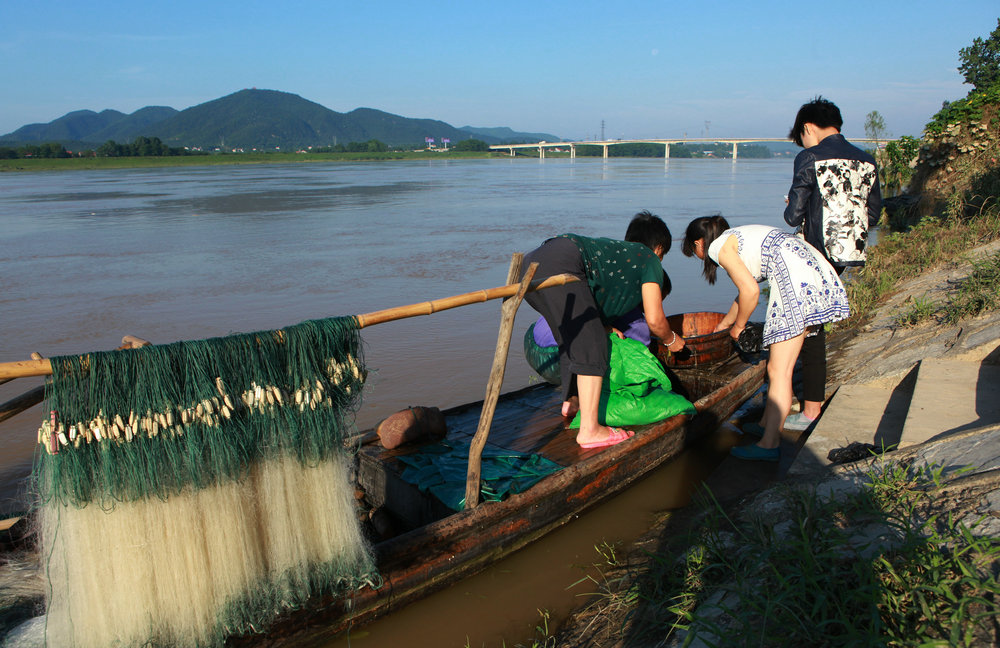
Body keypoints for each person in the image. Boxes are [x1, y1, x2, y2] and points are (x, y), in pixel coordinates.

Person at [682, 215, 849, 461]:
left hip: (794, 280)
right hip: (812, 268)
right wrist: (724, 324)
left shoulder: (718, 247)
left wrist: (739, 327)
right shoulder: (737, 236)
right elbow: (744, 295)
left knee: (780, 371)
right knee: (777, 367)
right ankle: (765, 424)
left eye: (692, 249)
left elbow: (750, 291)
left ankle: (769, 444)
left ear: (699, 243)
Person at [521, 212, 685, 449]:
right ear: (659, 248)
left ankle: (571, 402)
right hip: (562, 260)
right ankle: (590, 431)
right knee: (592, 342)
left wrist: (607, 326)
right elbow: (655, 319)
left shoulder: (618, 259)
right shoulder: (648, 259)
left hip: (531, 264)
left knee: (573, 335)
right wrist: (671, 340)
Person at [783, 96, 881, 431]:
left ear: (808, 128)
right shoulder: (867, 160)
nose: (803, 142)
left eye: (802, 136)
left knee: (810, 330)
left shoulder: (809, 157)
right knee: (814, 326)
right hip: (847, 254)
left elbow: (793, 215)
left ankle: (809, 410)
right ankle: (804, 401)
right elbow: (875, 214)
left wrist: (794, 201)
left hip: (815, 253)